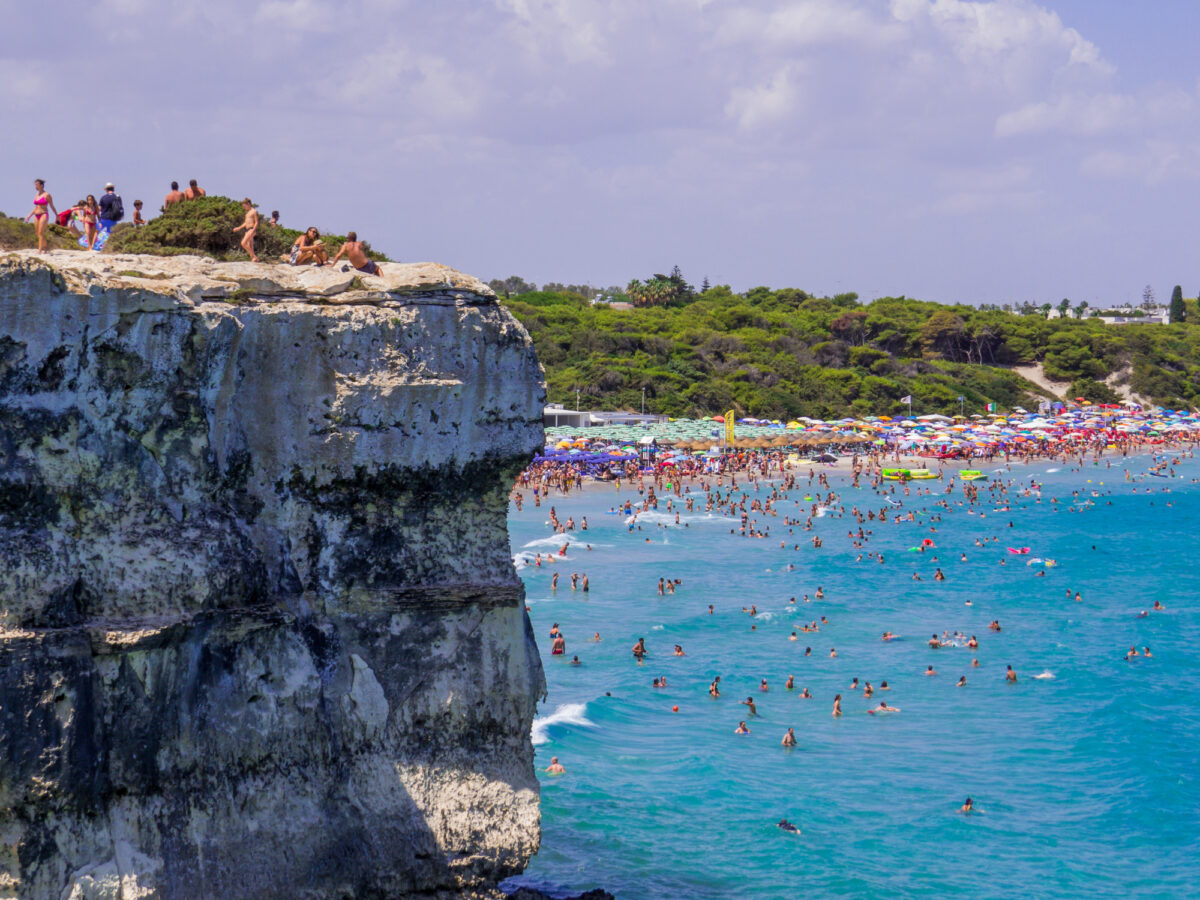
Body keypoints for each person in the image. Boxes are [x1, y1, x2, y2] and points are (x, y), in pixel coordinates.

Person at [24, 180, 57, 253]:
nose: (35, 186)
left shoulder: (47, 195)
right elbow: (36, 207)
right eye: (35, 185)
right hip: (36, 214)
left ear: (41, 185)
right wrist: (29, 215)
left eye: (37, 184)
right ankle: (46, 247)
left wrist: (57, 215)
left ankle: (40, 250)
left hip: (44, 214)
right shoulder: (37, 194)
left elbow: (52, 206)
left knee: (41, 233)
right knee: (38, 233)